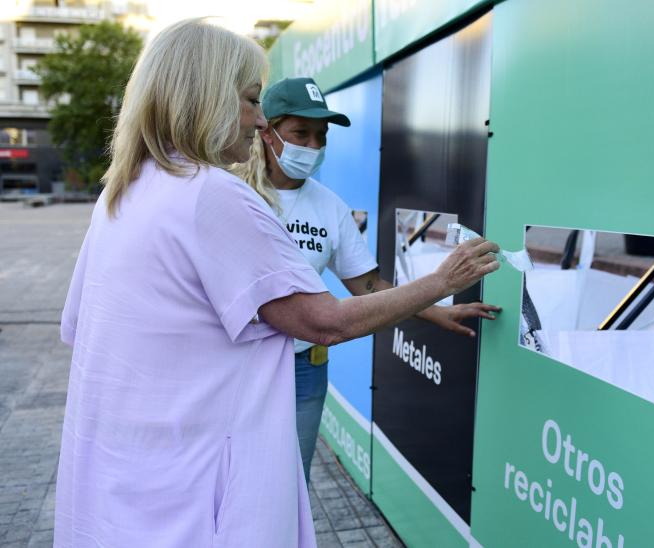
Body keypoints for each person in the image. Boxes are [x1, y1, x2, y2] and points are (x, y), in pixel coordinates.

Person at [55, 19, 499, 547]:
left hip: (130, 483)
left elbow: (79, 326)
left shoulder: (121, 196)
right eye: (249, 100)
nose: (257, 119)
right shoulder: (211, 194)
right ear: (205, 98)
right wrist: (442, 280)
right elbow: (323, 322)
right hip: (194, 491)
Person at [233, 77, 502, 481]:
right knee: (235, 477)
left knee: (290, 484)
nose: (312, 147)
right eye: (300, 133)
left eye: (321, 136)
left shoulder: (330, 208)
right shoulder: (233, 192)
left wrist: (436, 312)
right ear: (266, 131)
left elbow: (369, 286)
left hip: (304, 367)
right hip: (238, 363)